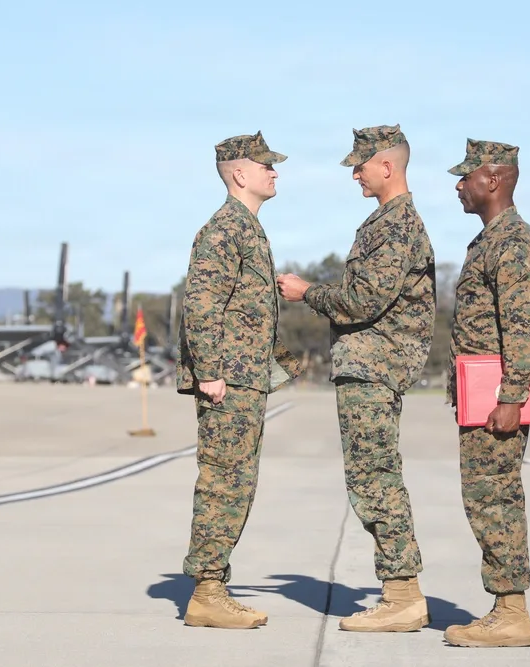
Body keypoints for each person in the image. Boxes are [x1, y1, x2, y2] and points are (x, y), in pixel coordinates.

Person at [276, 124, 437, 633]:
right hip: (368, 365)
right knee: (371, 475)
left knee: (375, 477)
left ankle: (402, 594)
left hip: (375, 366)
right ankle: (400, 589)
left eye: (360, 164)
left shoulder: (395, 226)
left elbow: (362, 301)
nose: (354, 173)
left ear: (386, 166)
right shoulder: (384, 222)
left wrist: (307, 292)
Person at [175, 131, 302, 629]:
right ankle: (207, 591)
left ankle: (214, 585)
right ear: (239, 174)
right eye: (266, 165)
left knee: (238, 481)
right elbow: (201, 303)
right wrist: (209, 372)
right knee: (225, 482)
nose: (274, 172)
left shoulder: (247, 227)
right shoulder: (225, 228)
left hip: (245, 378)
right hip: (227, 379)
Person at [442, 138, 530, 648]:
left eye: (467, 177)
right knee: (484, 497)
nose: (460, 186)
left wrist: (512, 396)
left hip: (496, 397)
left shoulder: (513, 240)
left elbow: (523, 323)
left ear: (495, 180)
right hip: (480, 393)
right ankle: (506, 606)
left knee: (496, 499)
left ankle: (511, 612)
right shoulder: (488, 240)